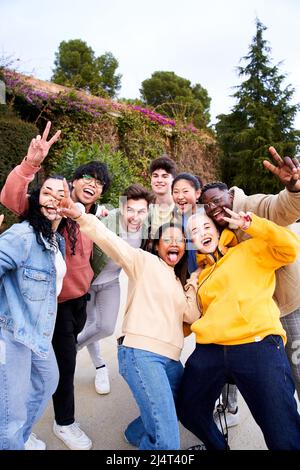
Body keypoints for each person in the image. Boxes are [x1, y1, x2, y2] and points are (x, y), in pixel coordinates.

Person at [53, 181, 200, 450]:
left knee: (183, 402)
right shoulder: (144, 262)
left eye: (180, 241)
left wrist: (195, 280)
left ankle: (135, 435)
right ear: (156, 245)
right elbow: (109, 240)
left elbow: (192, 316)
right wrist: (81, 216)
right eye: (168, 239)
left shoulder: (182, 284)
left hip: (171, 359)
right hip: (141, 353)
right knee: (168, 443)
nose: (174, 244)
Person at [0, 121, 111, 450]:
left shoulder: (84, 220)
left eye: (99, 182)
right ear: (74, 183)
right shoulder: (35, 222)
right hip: (47, 310)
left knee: (48, 374)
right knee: (62, 369)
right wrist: (30, 165)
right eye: (85, 179)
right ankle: (64, 424)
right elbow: (13, 196)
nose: (91, 184)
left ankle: (22, 431)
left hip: (77, 303)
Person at [177, 208, 300, 450]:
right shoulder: (200, 276)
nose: (201, 233)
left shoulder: (249, 250)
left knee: (282, 432)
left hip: (257, 343)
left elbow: (289, 247)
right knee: (189, 410)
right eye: (194, 231)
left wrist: (250, 224)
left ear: (218, 230)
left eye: (206, 227)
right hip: (210, 350)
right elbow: (188, 320)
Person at [200, 148, 300, 430]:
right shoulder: (214, 227)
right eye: (207, 206)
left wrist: (293, 188)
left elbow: (284, 208)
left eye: (217, 201)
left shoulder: (255, 207)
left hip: (285, 303)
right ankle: (231, 406)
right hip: (248, 312)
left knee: (295, 364)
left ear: (231, 196)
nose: (213, 209)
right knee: (240, 364)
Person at [0, 176, 66, 450]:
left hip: (36, 332)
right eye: (46, 192)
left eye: (60, 194)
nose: (52, 197)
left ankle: (18, 439)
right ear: (36, 199)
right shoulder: (22, 236)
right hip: (10, 332)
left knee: (48, 380)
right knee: (11, 415)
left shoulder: (54, 240)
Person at [77, 184, 153, 395]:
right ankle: (100, 367)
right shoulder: (109, 218)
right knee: (92, 323)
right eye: (130, 209)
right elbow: (88, 220)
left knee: (106, 327)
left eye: (141, 211)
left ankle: (70, 348)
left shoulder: (148, 231)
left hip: (111, 282)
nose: (135, 216)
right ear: (123, 207)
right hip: (87, 282)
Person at [171, 172, 202, 274]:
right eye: (175, 192)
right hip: (188, 274)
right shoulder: (176, 219)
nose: (180, 197)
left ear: (197, 193)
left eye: (185, 191)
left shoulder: (206, 216)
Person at [149, 155, 177, 237]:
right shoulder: (146, 207)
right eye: (155, 176)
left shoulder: (181, 208)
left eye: (165, 176)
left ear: (173, 180)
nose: (159, 180)